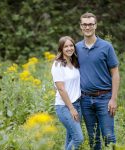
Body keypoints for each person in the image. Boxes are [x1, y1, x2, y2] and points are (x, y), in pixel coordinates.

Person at [76, 12, 120, 150]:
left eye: (90, 24)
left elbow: (115, 73)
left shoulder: (106, 47)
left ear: (95, 26)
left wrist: (113, 99)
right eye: (84, 24)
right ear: (81, 26)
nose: (87, 27)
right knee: (93, 138)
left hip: (105, 99)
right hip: (85, 99)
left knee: (109, 136)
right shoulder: (76, 48)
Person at [51, 36, 84, 150]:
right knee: (78, 138)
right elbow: (61, 89)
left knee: (70, 138)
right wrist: (71, 108)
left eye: (71, 46)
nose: (69, 48)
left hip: (77, 104)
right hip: (65, 107)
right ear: (61, 49)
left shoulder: (74, 63)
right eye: (66, 46)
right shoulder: (58, 64)